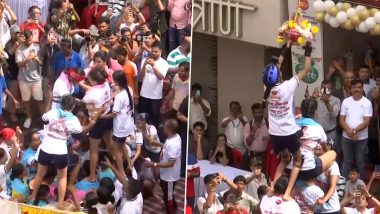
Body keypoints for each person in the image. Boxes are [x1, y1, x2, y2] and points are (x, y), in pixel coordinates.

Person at [263, 41, 312, 200]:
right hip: (289, 131)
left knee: (284, 159)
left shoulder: (267, 89)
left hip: (275, 133)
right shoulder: (288, 86)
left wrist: (287, 47)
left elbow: (277, 65)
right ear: (280, 75)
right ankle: (287, 193)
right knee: (297, 161)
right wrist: (308, 49)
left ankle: (272, 188)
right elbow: (306, 69)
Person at [30, 95, 98, 210]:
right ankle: (60, 203)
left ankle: (32, 197)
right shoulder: (74, 120)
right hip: (60, 151)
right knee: (62, 177)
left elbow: (43, 119)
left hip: (45, 148)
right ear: (72, 107)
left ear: (61, 104)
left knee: (39, 174)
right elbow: (79, 134)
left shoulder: (52, 112)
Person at [99, 70, 134, 174]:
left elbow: (114, 114)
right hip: (128, 123)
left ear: (117, 82)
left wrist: (100, 116)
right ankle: (129, 163)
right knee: (122, 144)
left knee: (116, 150)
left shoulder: (119, 97)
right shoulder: (129, 90)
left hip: (120, 127)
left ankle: (121, 171)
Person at [144, 119, 181, 214]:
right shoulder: (174, 137)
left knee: (167, 197)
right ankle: (175, 206)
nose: (162, 128)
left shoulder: (173, 144)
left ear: (169, 129)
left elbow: (170, 163)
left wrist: (154, 164)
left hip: (169, 176)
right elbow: (167, 148)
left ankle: (171, 211)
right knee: (167, 192)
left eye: (164, 127)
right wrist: (158, 144)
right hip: (166, 174)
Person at [339, 79, 372, 179]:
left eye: (358, 87)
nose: (356, 89)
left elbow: (367, 122)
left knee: (360, 161)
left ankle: (360, 184)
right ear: (351, 89)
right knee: (347, 160)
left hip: (361, 138)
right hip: (346, 138)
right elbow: (341, 119)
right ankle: (343, 182)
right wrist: (349, 132)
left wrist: (353, 131)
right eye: (354, 87)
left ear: (362, 89)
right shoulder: (345, 101)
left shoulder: (367, 103)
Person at [15, 30, 44, 128]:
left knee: (39, 99)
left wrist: (37, 59)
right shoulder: (19, 49)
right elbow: (19, 64)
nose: (29, 42)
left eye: (30, 40)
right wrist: (28, 59)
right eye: (27, 40)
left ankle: (43, 118)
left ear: (32, 37)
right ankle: (29, 118)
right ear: (24, 39)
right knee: (26, 100)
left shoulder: (37, 47)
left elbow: (41, 63)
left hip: (36, 78)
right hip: (23, 79)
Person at [139, 40, 169, 127]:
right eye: (152, 51)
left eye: (156, 51)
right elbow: (141, 75)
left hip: (155, 96)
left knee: (153, 119)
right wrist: (145, 64)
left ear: (161, 51)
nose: (154, 53)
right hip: (144, 94)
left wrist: (153, 66)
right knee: (142, 117)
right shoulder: (145, 59)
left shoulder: (164, 63)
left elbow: (161, 77)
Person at [313, 80, 341, 157]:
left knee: (331, 155)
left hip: (331, 134)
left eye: (328, 89)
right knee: (317, 156)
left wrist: (327, 102)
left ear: (331, 89)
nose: (325, 91)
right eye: (323, 89)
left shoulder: (336, 100)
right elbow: (308, 113)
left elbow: (334, 115)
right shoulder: (316, 99)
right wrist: (312, 99)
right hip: (317, 134)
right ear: (320, 88)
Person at [314, 139, 341, 214]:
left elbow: (333, 186)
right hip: (316, 207)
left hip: (331, 209)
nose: (317, 146)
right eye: (317, 143)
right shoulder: (312, 162)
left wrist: (323, 200)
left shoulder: (333, 165)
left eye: (321, 144)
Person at [220, 101, 247, 168]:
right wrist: (229, 119)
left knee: (240, 167)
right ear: (230, 109)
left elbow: (247, 127)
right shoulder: (227, 119)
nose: (235, 110)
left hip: (241, 149)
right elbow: (222, 125)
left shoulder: (243, 118)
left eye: (236, 108)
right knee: (230, 167)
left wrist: (241, 118)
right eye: (233, 108)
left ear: (239, 109)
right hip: (230, 149)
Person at [243, 103, 269, 168]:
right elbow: (247, 143)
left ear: (263, 112)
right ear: (252, 113)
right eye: (256, 113)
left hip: (264, 156)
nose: (258, 115)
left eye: (260, 112)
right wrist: (253, 131)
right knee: (250, 175)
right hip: (252, 156)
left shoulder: (268, 123)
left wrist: (270, 138)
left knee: (263, 176)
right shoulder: (248, 125)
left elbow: (276, 138)